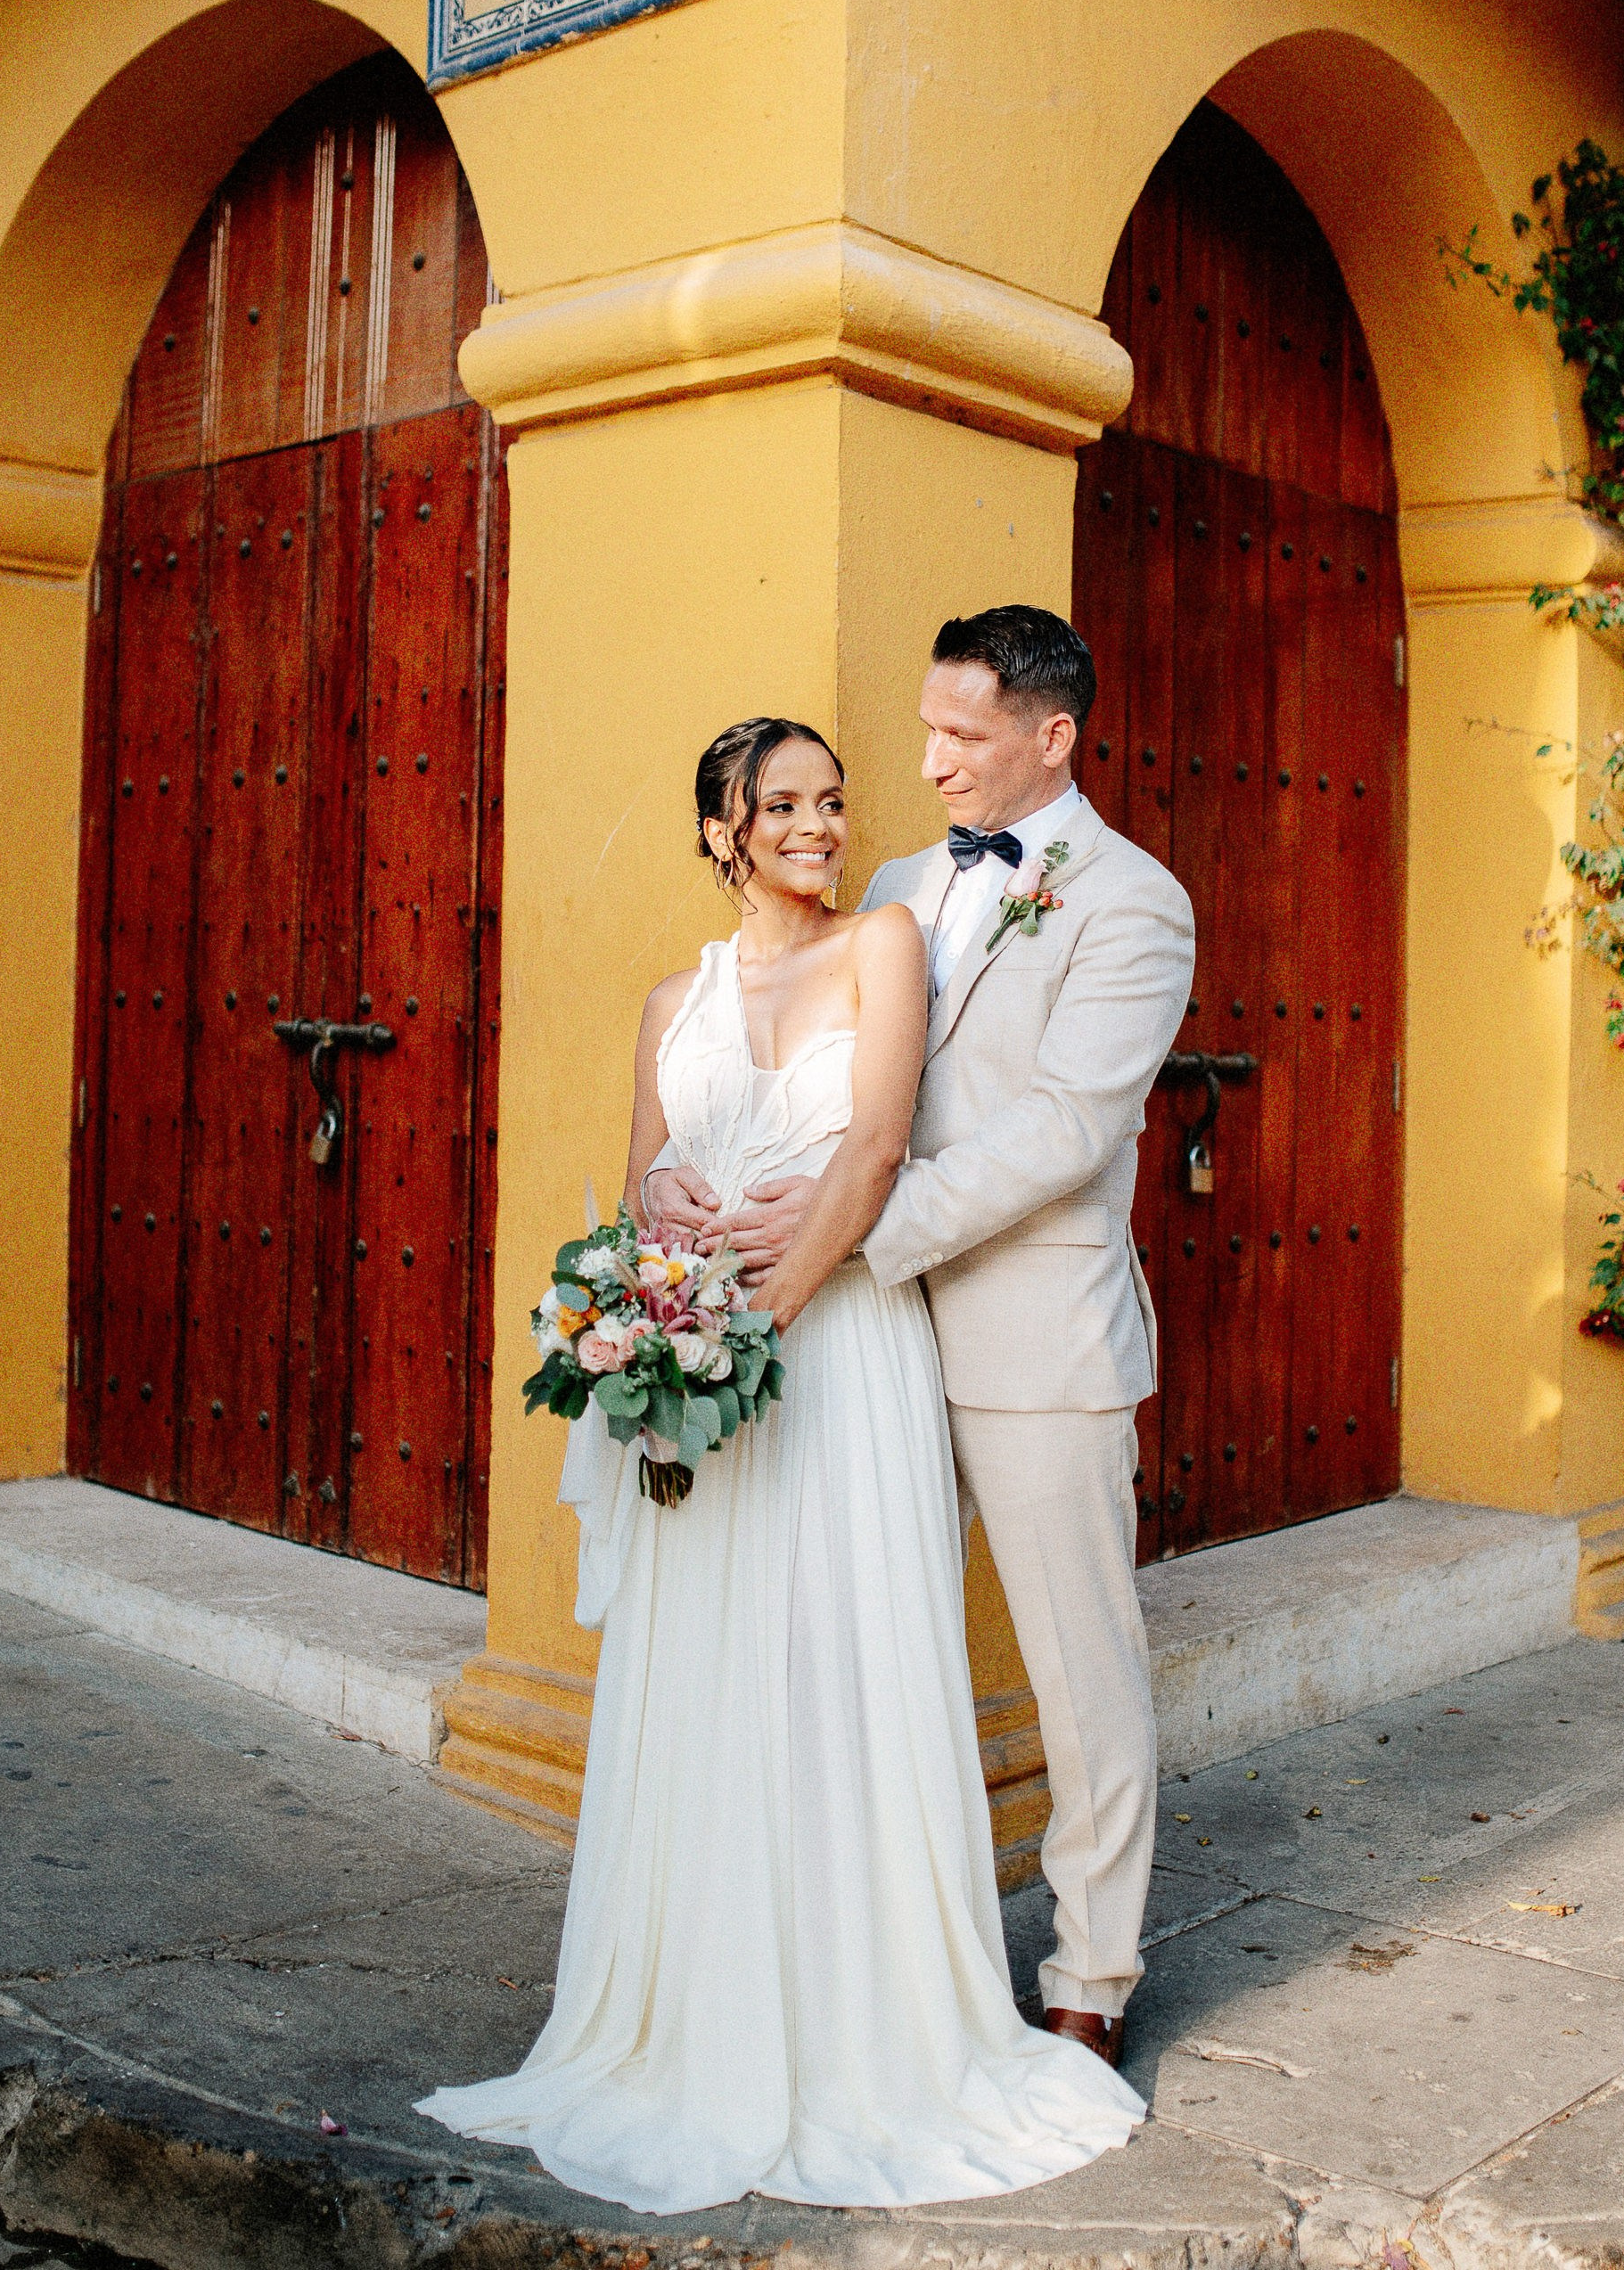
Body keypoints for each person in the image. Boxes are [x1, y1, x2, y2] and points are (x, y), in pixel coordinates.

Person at [415, 714, 1142, 2214]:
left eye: (830, 799)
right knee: (714, 1670)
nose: (817, 824)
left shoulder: (882, 941)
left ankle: (867, 2019)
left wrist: (768, 1312)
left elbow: (876, 1148)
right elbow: (634, 1180)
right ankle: (698, 2012)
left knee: (847, 1659)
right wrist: (662, 1233)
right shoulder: (666, 1000)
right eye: (783, 805)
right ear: (722, 832)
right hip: (703, 1368)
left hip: (836, 1350)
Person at [653, 611, 1194, 2069]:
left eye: (963, 732)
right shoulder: (893, 887)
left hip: (1028, 1335)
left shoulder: (1136, 902)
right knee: (859, 1647)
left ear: (1052, 736)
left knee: (1082, 1672)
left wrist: (843, 1234)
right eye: (927, 724)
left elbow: (1069, 1130)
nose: (931, 758)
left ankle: (1092, 1974)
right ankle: (872, 1953)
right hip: (869, 1349)